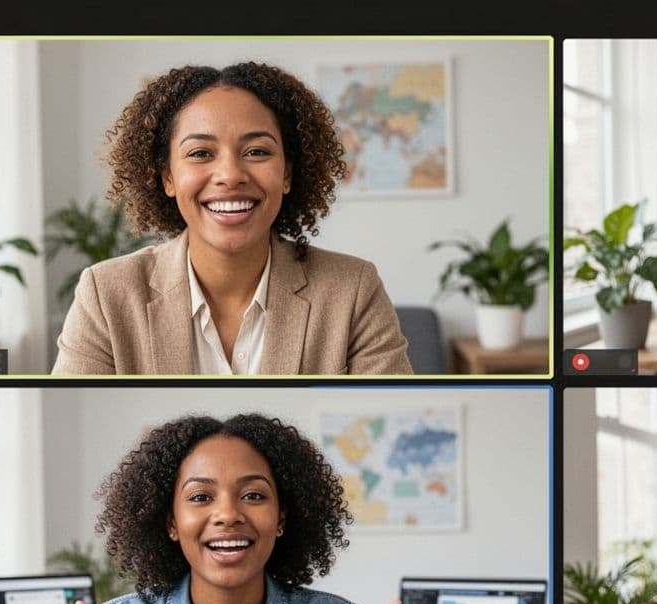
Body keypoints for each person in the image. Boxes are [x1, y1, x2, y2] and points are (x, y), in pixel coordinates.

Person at [47, 413, 415, 604]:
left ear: (282, 518)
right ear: (171, 522)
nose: (228, 514)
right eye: (200, 497)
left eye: (253, 495)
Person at [52, 62, 412, 375]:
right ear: (167, 178)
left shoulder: (353, 289)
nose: (230, 174)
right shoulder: (106, 294)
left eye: (256, 151)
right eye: (201, 153)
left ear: (286, 174)